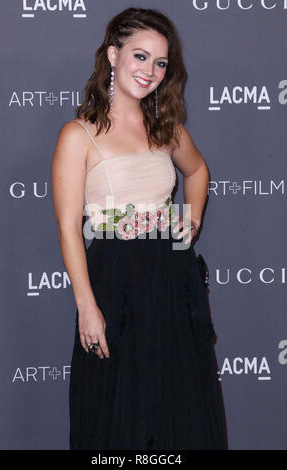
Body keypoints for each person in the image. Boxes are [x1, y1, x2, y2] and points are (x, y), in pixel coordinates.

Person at [51, 7, 228, 450]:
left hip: (172, 278)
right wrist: (87, 305)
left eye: (161, 62)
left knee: (180, 406)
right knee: (118, 409)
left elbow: (198, 171)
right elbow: (69, 227)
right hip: (115, 280)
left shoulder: (165, 127)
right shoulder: (78, 134)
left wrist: (193, 215)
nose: (150, 71)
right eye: (140, 56)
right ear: (113, 55)